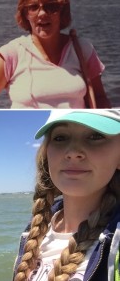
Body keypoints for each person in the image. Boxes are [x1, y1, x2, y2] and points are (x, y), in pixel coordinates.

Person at [0, 0, 111, 109]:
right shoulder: (10, 55)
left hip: (75, 138)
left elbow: (100, 98)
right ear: (25, 13)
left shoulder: (83, 49)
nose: (42, 13)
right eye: (33, 7)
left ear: (62, 10)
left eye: (51, 6)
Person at [13, 109, 120, 281]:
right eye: (60, 137)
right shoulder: (32, 232)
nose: (72, 151)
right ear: (47, 154)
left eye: (95, 136)